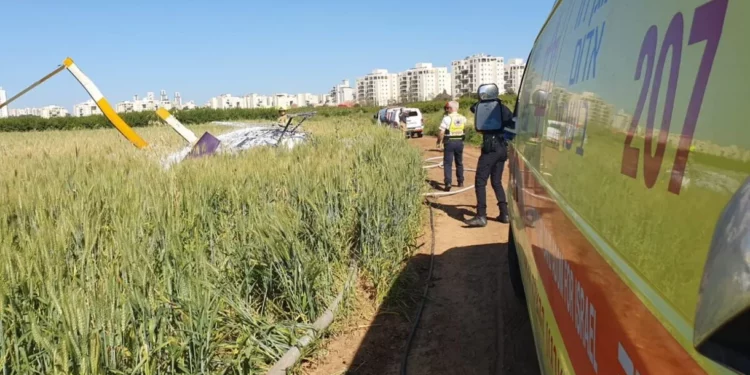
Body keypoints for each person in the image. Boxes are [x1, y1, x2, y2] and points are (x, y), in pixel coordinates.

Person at [466, 99, 516, 227]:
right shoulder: (503, 108)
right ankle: (505, 214)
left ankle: (481, 215)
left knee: (480, 181)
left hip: (491, 149)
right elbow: (512, 122)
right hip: (502, 148)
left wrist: (483, 102)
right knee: (497, 181)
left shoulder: (485, 108)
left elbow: (473, 108)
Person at [437, 101, 467, 192]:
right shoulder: (463, 118)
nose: (447, 109)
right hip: (459, 142)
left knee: (447, 163)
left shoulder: (447, 118)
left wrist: (439, 141)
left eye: (447, 108)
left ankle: (448, 183)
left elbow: (441, 132)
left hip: (449, 142)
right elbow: (464, 129)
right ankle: (460, 181)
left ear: (451, 108)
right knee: (459, 162)